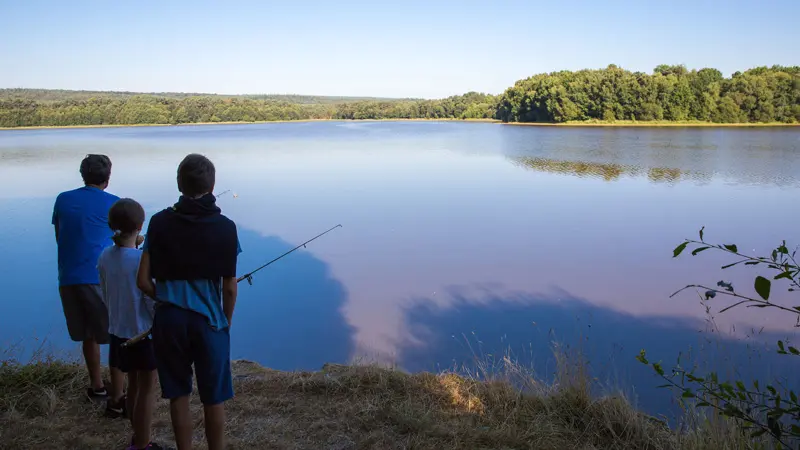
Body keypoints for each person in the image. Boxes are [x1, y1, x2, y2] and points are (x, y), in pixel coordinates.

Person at [137, 154, 240, 450]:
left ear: (179, 184)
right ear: (212, 185)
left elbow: (143, 282)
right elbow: (229, 287)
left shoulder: (158, 223)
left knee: (179, 395)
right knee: (213, 398)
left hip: (169, 321)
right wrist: (225, 321)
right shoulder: (225, 227)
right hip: (209, 323)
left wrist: (169, 298)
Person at [98, 198, 165, 450]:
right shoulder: (139, 261)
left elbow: (105, 290)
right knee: (147, 389)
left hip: (118, 333)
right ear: (140, 225)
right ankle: (143, 444)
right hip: (142, 335)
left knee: (134, 385)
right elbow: (150, 301)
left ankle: (137, 437)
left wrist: (135, 245)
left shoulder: (105, 256)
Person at [53, 154, 119, 400]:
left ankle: (98, 386)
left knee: (89, 335)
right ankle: (119, 391)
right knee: (116, 333)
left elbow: (60, 236)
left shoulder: (63, 199)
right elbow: (124, 244)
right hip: (99, 278)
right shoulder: (115, 204)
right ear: (107, 177)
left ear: (83, 174)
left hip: (69, 277)